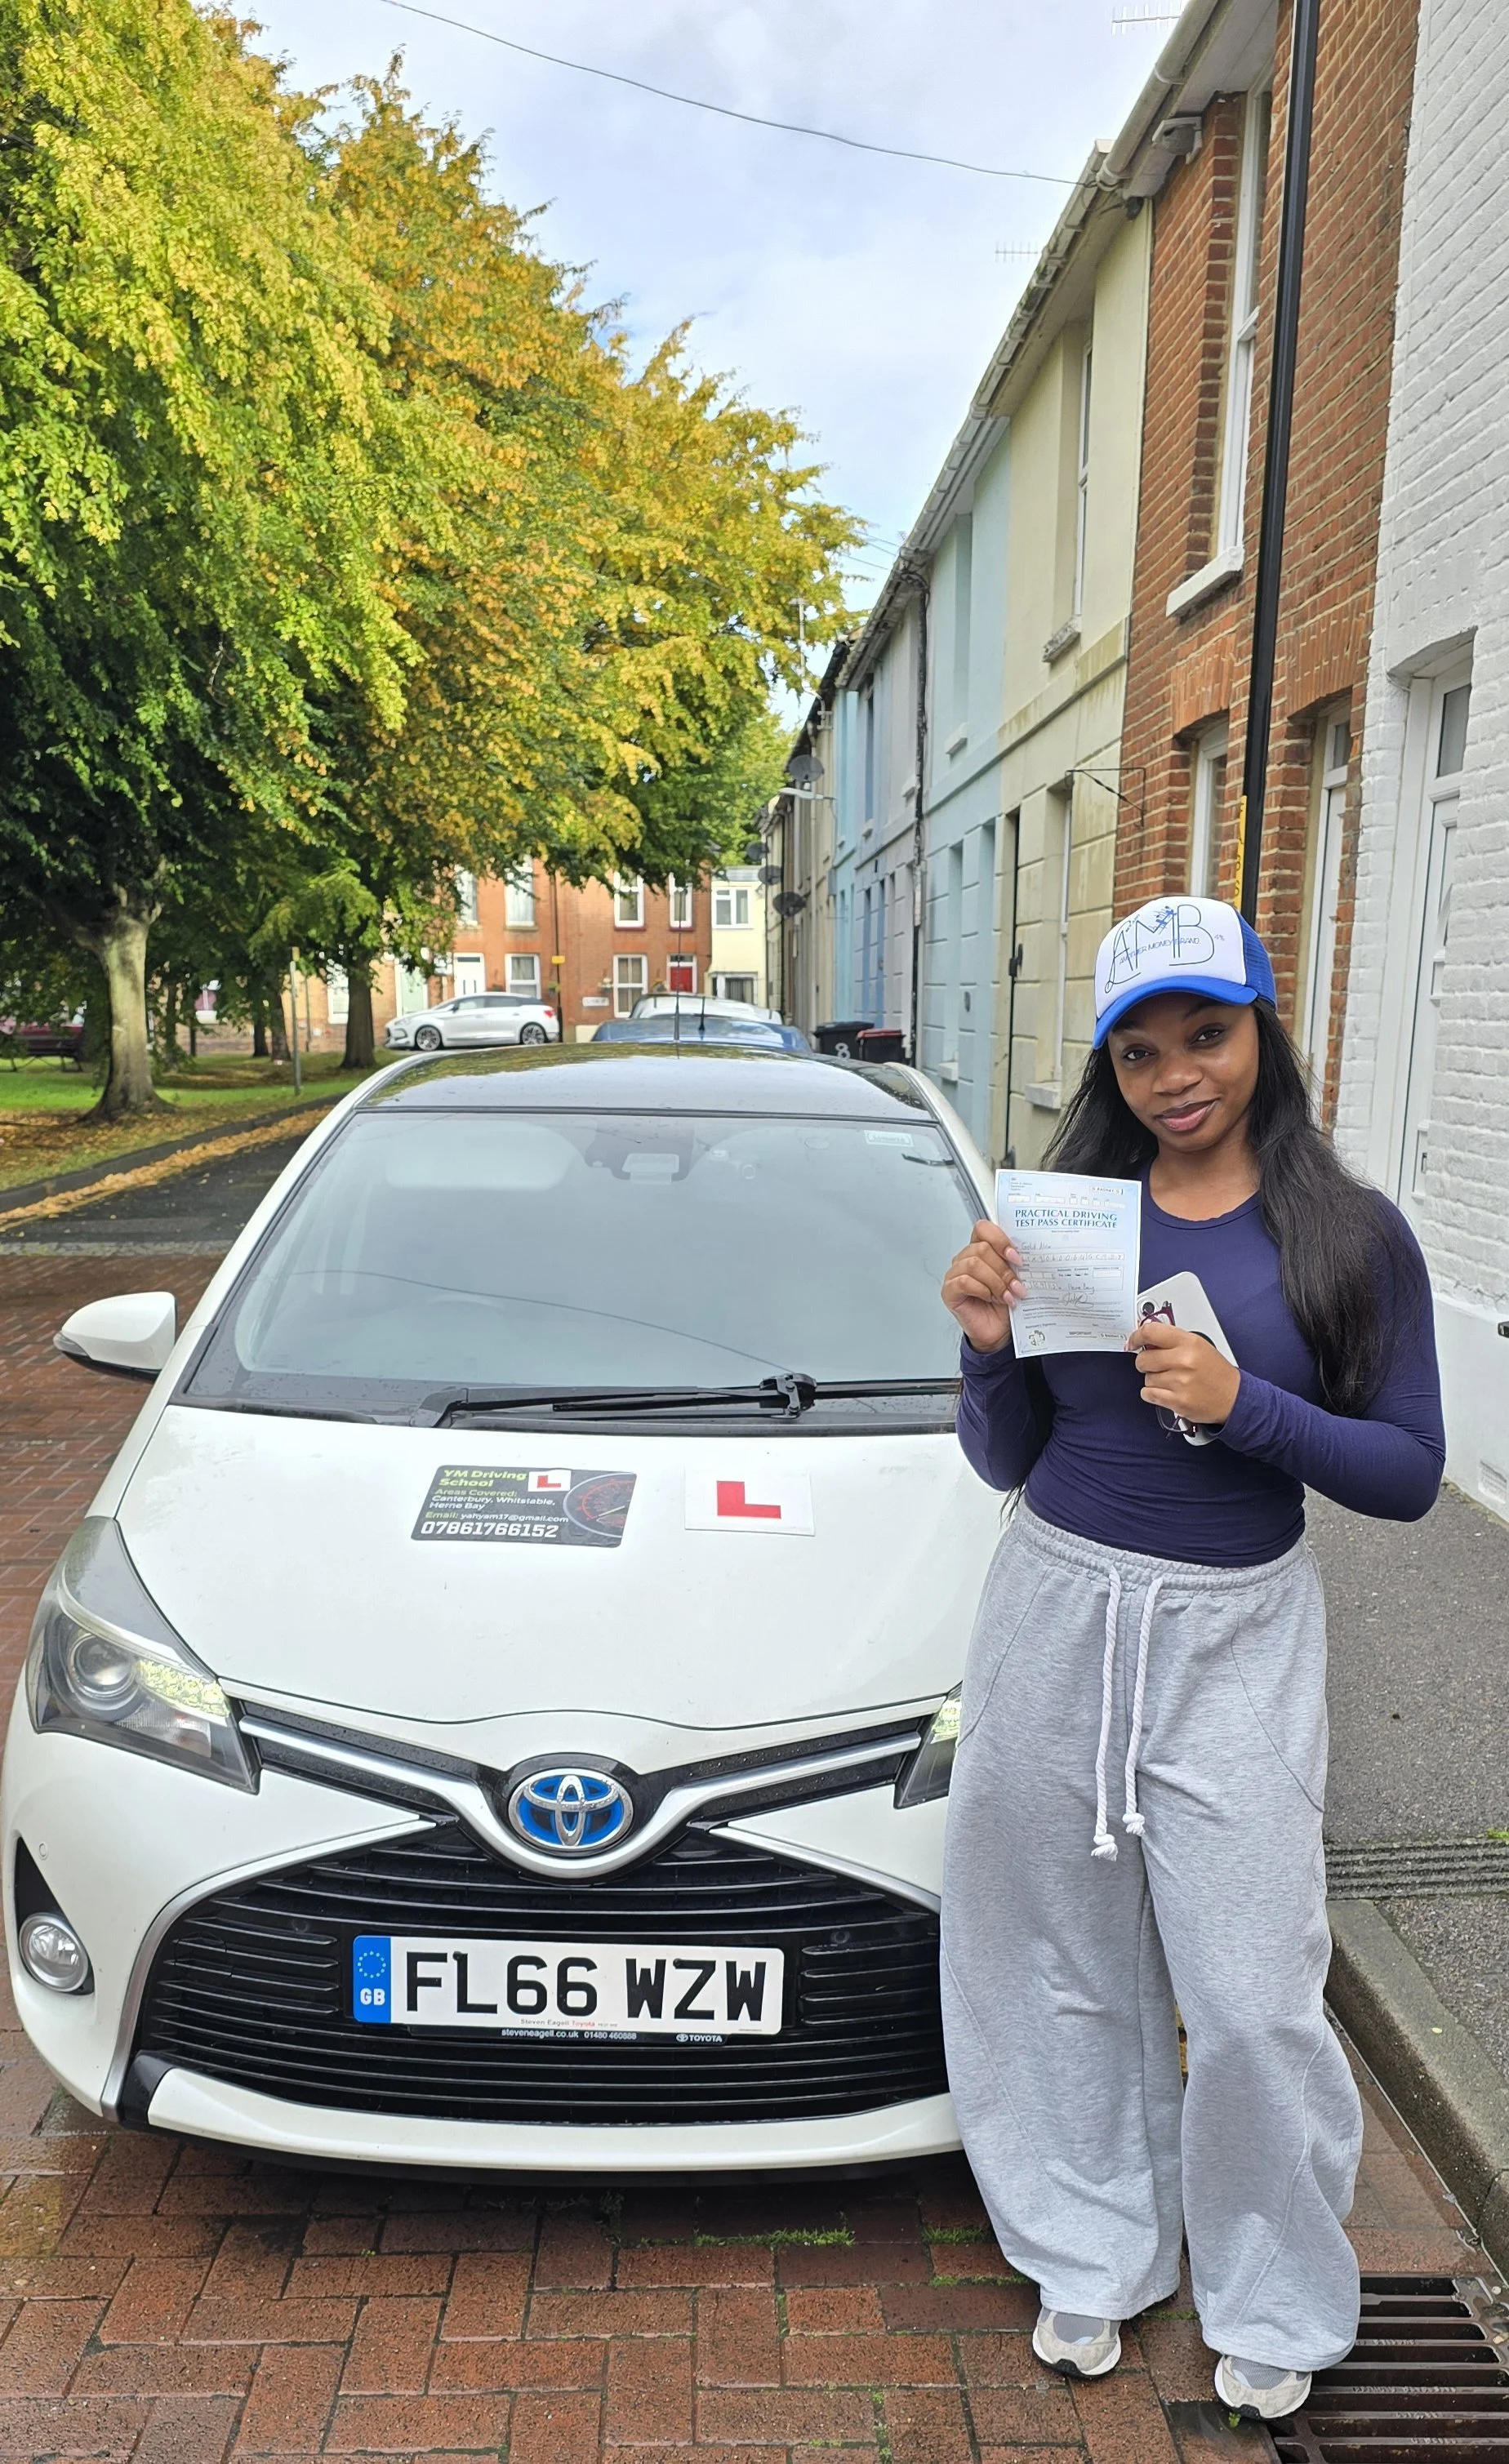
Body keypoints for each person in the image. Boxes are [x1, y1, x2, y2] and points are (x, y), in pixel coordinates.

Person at [937, 894, 1444, 2426]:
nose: (1177, 1074)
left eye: (1206, 1035)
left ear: (1263, 1028)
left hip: (1237, 1634)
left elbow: (1410, 1472)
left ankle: (1276, 2287)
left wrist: (1247, 1406)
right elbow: (1009, 1451)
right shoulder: (1071, 1214)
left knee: (1251, 1993)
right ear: (1111, 1066)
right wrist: (978, 1343)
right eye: (1142, 1049)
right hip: (1058, 1604)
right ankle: (1091, 2248)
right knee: (1050, 1959)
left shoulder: (1348, 1234)